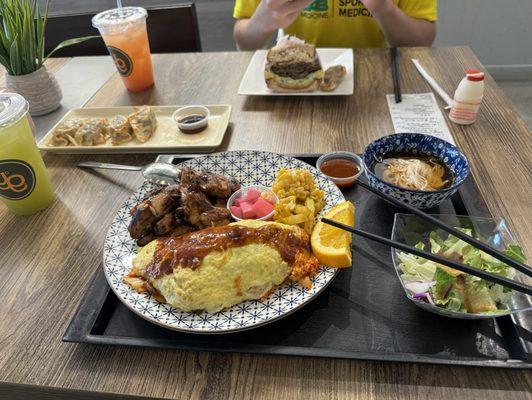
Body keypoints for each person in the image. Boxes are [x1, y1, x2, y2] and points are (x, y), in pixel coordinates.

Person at [234, 0, 437, 50]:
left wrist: (384, 8)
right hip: (292, 79)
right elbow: (244, 42)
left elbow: (423, 40)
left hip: (379, 78)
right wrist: (263, 21)